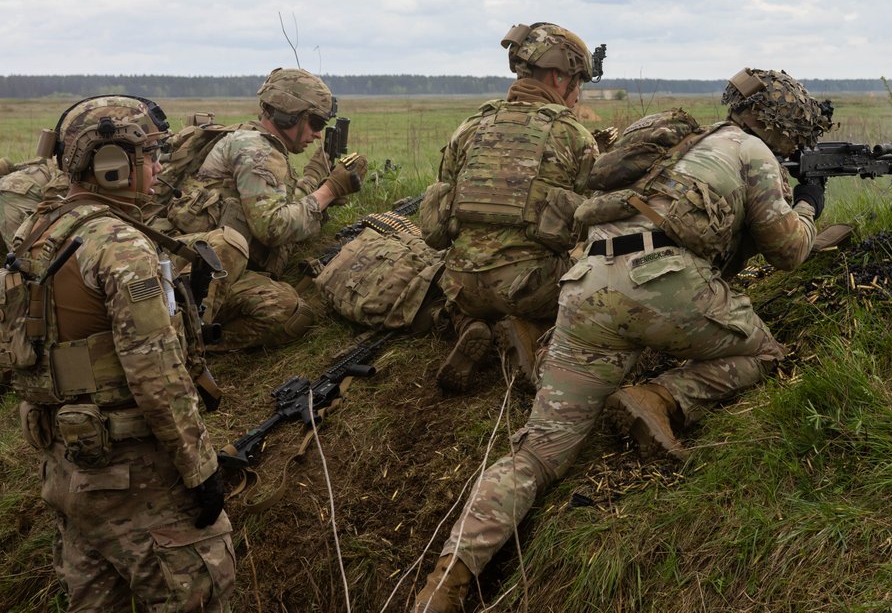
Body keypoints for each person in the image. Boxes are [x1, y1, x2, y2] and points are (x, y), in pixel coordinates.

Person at [411, 68, 831, 612]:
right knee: (766, 352)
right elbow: (789, 250)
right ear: (782, 126)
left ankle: (444, 584)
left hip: (586, 286)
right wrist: (808, 207)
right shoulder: (752, 152)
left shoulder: (676, 143)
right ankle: (660, 397)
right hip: (661, 283)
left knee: (536, 455)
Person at [3, 95, 234, 611]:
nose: (157, 167)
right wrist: (200, 468)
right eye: (148, 155)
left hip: (66, 468)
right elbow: (158, 375)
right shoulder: (120, 245)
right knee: (201, 591)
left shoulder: (35, 231)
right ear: (112, 165)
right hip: (133, 475)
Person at [419, 23, 600, 391]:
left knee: (456, 280)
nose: (578, 92)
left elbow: (438, 226)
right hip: (529, 289)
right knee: (597, 280)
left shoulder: (470, 127)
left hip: (463, 287)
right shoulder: (573, 135)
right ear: (557, 76)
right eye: (577, 80)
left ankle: (469, 326)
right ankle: (527, 332)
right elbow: (597, 219)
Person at [159, 67, 367, 349]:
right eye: (316, 123)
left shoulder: (258, 144)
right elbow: (272, 227)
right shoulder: (257, 150)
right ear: (289, 114)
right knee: (290, 314)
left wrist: (316, 179)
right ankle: (182, 342)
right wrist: (329, 192)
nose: (318, 135)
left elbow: (280, 204)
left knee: (292, 311)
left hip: (219, 269)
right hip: (200, 272)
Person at [0, 156, 68, 251]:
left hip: (17, 190)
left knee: (20, 254)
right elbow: (6, 163)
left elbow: (17, 258)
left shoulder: (6, 194)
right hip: (45, 173)